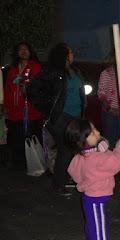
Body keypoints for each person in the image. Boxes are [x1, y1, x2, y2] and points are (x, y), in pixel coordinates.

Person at [27, 42, 86, 195]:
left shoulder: (75, 71)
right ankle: (58, 184)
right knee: (65, 150)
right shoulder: (52, 72)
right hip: (60, 117)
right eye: (70, 52)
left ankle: (67, 178)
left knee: (73, 149)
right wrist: (46, 108)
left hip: (75, 116)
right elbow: (32, 89)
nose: (73, 55)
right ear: (64, 55)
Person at [66, 119, 120, 240]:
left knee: (92, 226)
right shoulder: (97, 158)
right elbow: (118, 160)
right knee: (98, 231)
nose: (97, 132)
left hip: (90, 197)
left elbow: (74, 173)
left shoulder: (82, 155)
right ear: (82, 141)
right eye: (91, 133)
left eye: (95, 128)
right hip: (97, 199)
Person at [4, 42, 42, 171]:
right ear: (16, 53)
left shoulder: (35, 67)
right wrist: (6, 107)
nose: (23, 51)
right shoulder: (12, 69)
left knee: (31, 136)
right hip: (15, 111)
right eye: (20, 49)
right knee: (16, 137)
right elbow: (8, 89)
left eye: (26, 49)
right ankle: (18, 163)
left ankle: (33, 162)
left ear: (30, 52)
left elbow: (38, 85)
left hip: (30, 110)